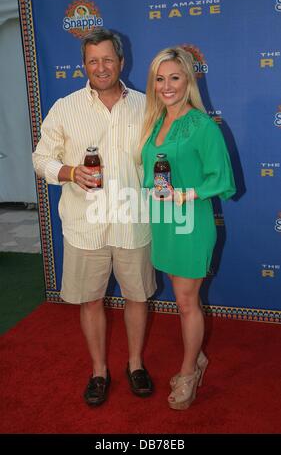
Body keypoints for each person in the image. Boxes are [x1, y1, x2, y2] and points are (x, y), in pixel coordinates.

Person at [32, 28, 156, 407]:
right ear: (83, 64)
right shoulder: (65, 108)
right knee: (90, 301)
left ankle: (135, 364)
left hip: (134, 221)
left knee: (137, 297)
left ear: (121, 61)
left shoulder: (147, 105)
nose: (100, 67)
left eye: (107, 59)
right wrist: (69, 172)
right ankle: (99, 370)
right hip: (85, 226)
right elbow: (41, 158)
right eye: (93, 60)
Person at [139, 47, 236, 410]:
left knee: (185, 302)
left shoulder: (201, 125)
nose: (166, 86)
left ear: (188, 81)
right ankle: (195, 358)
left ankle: (189, 370)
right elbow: (153, 171)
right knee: (181, 300)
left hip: (191, 222)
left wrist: (185, 193)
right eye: (160, 79)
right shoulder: (155, 122)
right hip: (165, 222)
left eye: (174, 78)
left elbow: (222, 179)